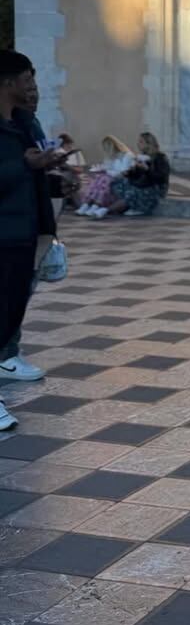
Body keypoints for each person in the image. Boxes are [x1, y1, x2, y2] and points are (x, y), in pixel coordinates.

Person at [0, 52, 64, 431]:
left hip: (25, 232)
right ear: (7, 82)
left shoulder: (24, 124)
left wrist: (54, 178)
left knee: (10, 315)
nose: (32, 86)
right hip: (3, 232)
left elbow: (28, 174)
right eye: (27, 77)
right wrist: (26, 165)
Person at [105, 132, 171, 217]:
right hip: (143, 184)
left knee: (132, 192)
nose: (138, 144)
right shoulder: (142, 157)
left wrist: (147, 169)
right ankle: (129, 206)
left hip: (156, 188)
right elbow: (137, 176)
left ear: (149, 144)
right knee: (117, 184)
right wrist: (130, 172)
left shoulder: (160, 157)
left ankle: (107, 210)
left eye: (141, 142)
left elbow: (161, 178)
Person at [77, 136, 134, 217]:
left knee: (104, 179)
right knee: (99, 178)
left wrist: (107, 171)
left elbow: (123, 172)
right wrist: (103, 169)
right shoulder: (111, 157)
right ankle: (87, 204)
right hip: (111, 177)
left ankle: (96, 205)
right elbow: (107, 167)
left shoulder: (127, 156)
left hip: (123, 179)